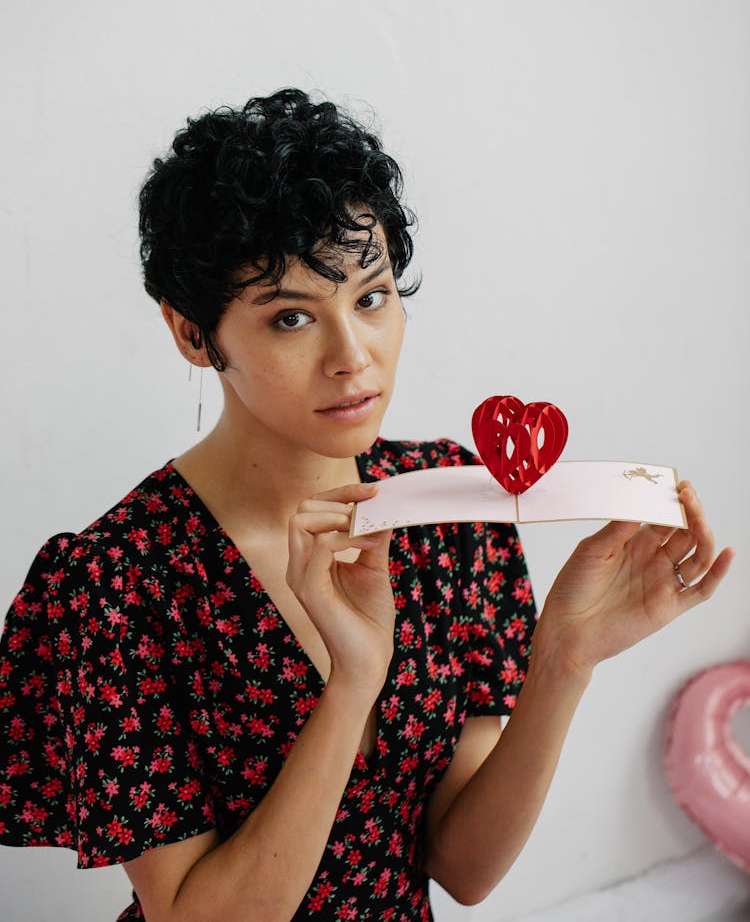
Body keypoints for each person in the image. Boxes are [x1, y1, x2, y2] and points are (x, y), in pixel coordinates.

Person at [0, 88, 733, 922]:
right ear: (192, 333)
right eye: (289, 318)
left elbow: (463, 867)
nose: (354, 357)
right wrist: (351, 682)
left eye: (373, 297)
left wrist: (562, 657)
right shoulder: (110, 587)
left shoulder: (452, 509)